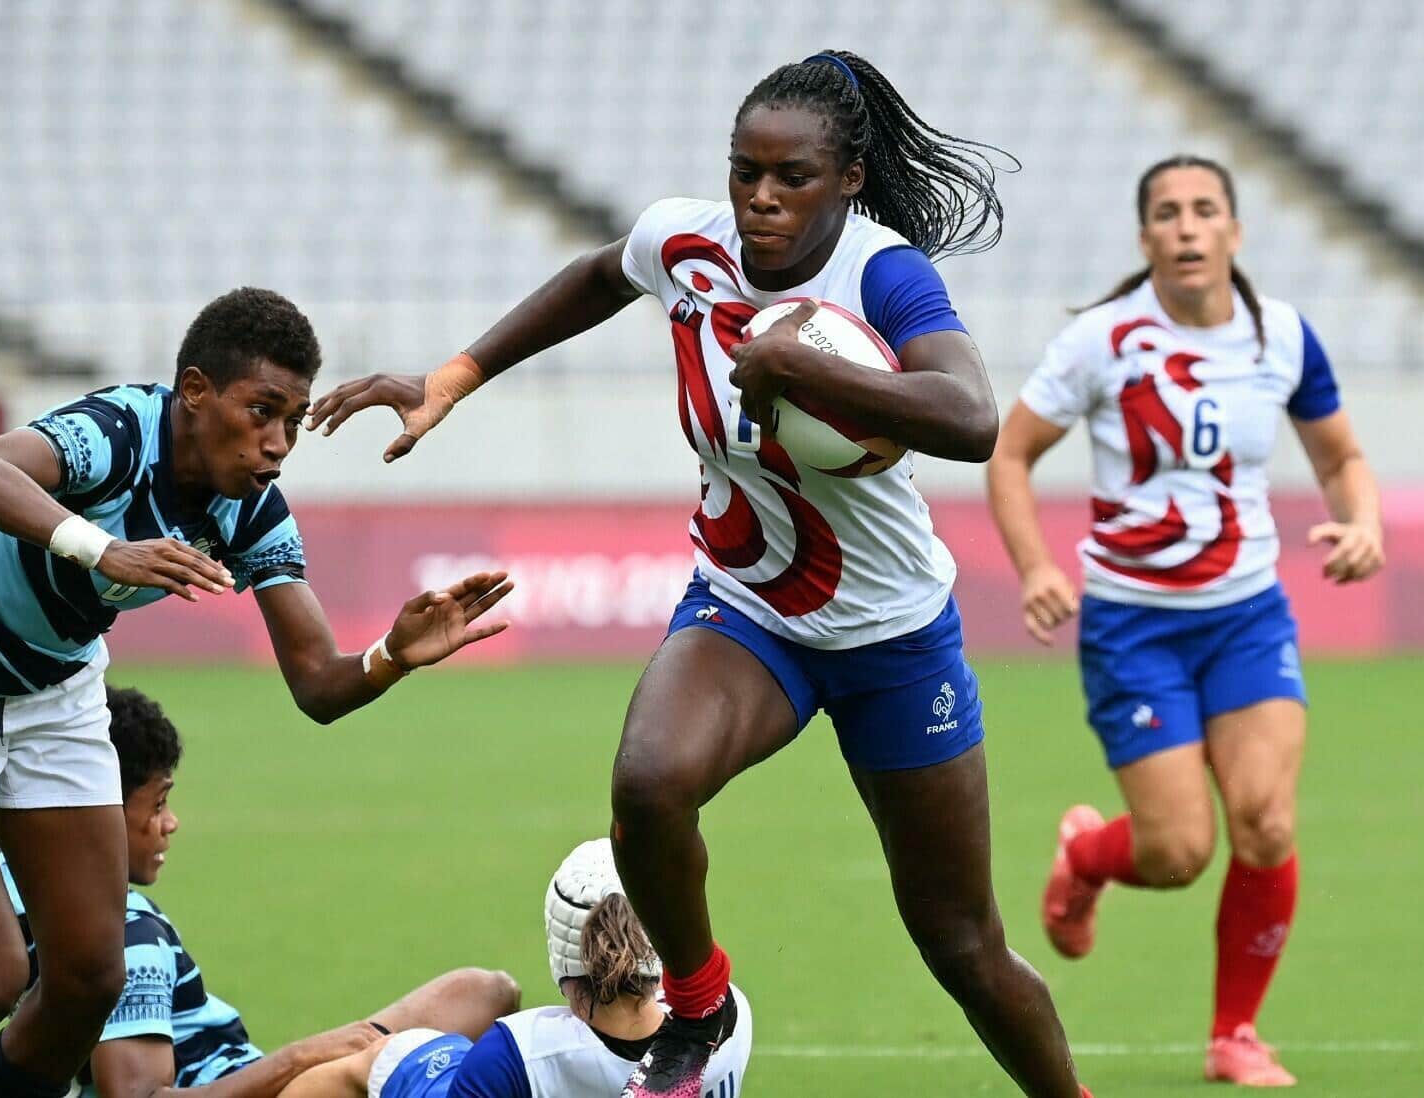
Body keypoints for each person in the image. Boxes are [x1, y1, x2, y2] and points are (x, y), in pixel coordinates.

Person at [308, 50, 1091, 1098]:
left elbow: (970, 416)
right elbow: (596, 276)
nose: (761, 198)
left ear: (848, 179)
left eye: (792, 177)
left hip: (895, 637)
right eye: (745, 171)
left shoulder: (881, 273)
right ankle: (700, 1000)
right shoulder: (688, 240)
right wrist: (454, 376)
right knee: (648, 783)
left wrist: (800, 365)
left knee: (960, 943)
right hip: (748, 610)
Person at [0, 288, 514, 1098]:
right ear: (195, 392)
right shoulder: (113, 434)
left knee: (88, 982)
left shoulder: (251, 511)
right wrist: (102, 549)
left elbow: (319, 684)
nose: (277, 443)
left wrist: (394, 653)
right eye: (261, 412)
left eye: (292, 419)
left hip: (53, 698)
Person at [986, 155, 1384, 1087]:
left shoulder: (1280, 337)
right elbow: (1010, 455)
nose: (1188, 226)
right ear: (1146, 239)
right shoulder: (1102, 340)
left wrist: (1364, 521)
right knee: (1176, 853)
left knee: (1267, 823)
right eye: (1168, 213)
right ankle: (1087, 852)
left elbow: (1341, 456)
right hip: (1135, 627)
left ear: (1234, 233)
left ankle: (1233, 1036)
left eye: (1206, 210)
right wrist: (1037, 566)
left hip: (1247, 617)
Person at [0, 685, 523, 1098]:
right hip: (259, 1089)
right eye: (158, 803)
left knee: (485, 991)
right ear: (95, 813)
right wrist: (297, 1058)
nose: (169, 823)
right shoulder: (124, 930)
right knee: (384, 1062)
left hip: (253, 1077)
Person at [277, 838, 750, 1098]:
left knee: (386, 1055)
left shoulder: (520, 1053)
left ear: (565, 959)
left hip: (466, 1083)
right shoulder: (733, 1019)